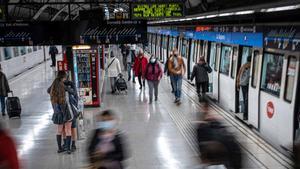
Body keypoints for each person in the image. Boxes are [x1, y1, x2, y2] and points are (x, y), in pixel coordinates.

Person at [49, 71, 73, 154]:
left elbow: (48, 90)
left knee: (59, 130)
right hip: (65, 110)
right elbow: (72, 91)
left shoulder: (54, 84)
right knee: (68, 130)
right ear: (63, 78)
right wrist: (70, 85)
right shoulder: (63, 86)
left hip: (57, 111)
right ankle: (69, 149)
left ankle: (59, 148)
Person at [236, 56, 251, 120]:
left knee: (245, 99)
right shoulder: (251, 65)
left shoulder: (243, 66)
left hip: (242, 84)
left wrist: (238, 84)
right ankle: (245, 115)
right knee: (247, 100)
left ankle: (245, 114)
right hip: (247, 84)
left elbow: (238, 75)